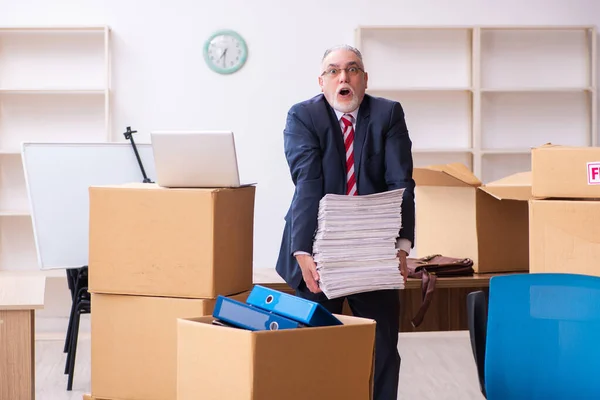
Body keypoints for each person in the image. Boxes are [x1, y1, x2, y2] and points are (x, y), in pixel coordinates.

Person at [275, 44, 415, 400]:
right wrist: (302, 250)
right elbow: (307, 182)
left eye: (352, 70)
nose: (343, 77)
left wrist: (402, 246)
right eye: (334, 71)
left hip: (373, 249)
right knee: (314, 348)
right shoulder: (303, 117)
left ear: (364, 80)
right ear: (321, 81)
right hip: (317, 248)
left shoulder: (387, 114)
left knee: (382, 349)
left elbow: (402, 181)